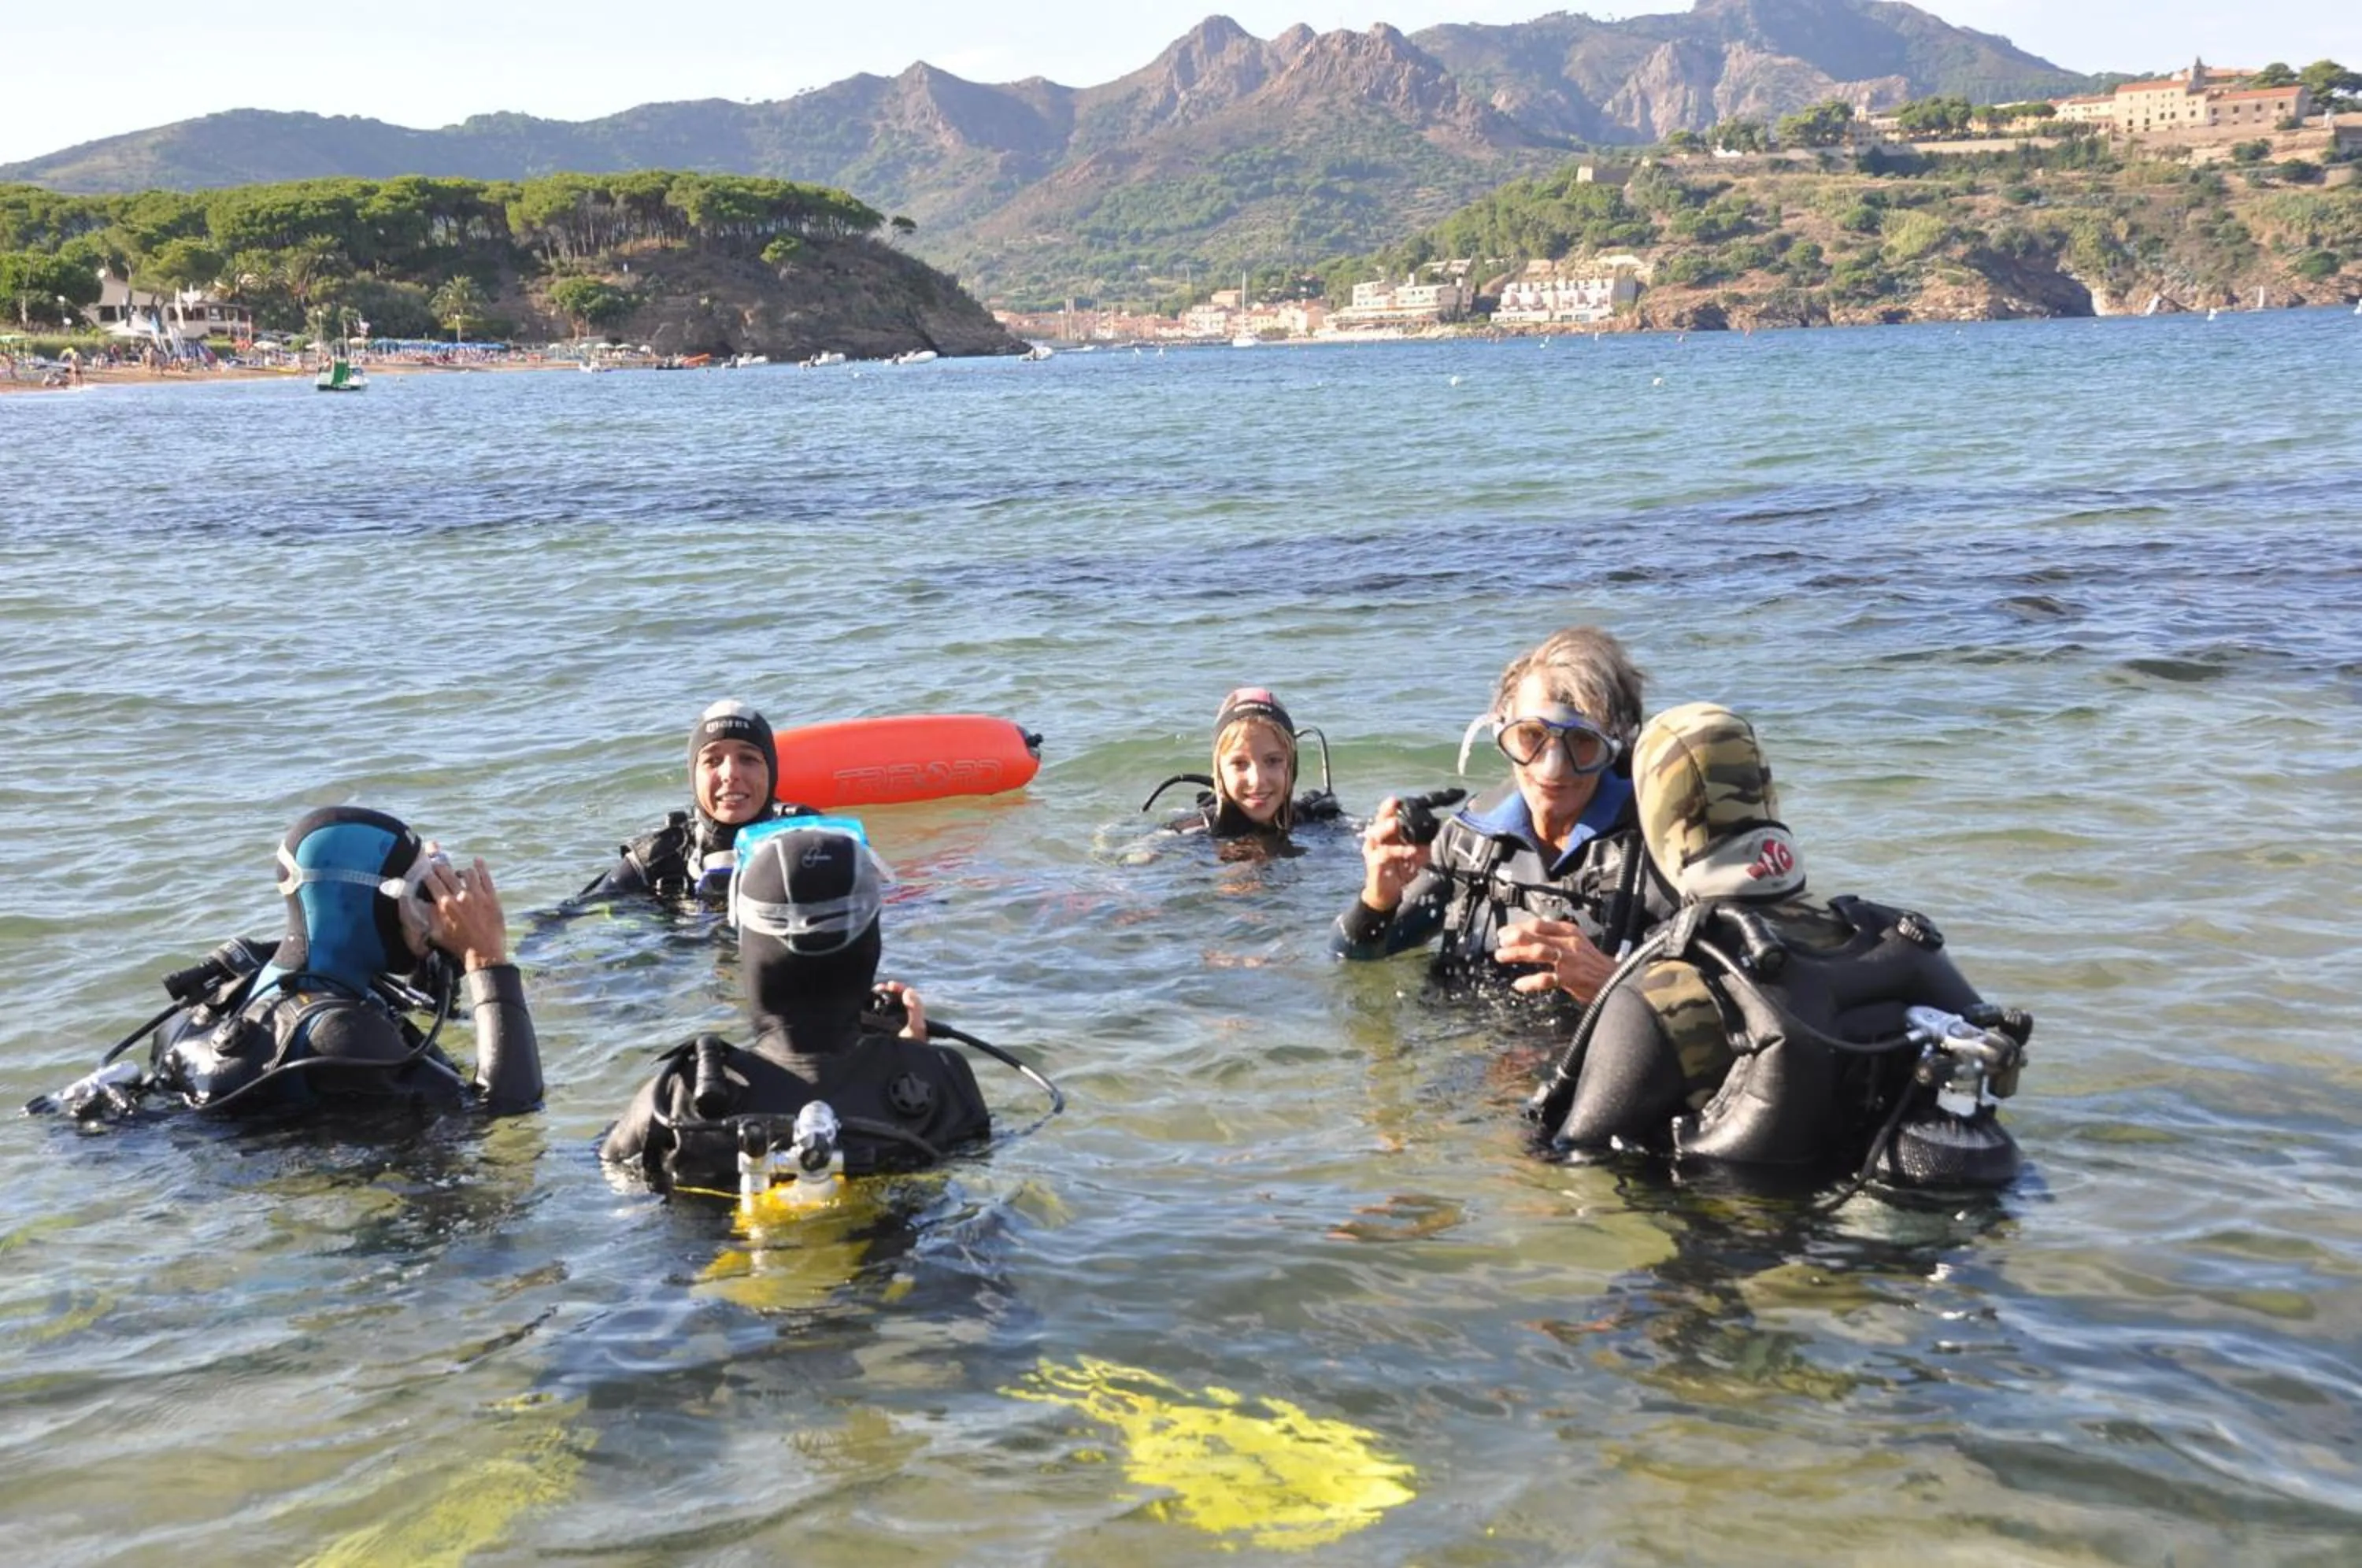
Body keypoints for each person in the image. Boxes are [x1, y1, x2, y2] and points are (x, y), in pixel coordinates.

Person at [1528, 703, 2028, 1187]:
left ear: (1656, 816)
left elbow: (1578, 1158)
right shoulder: (1896, 943)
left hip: (1735, 1248)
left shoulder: (1659, 991)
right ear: (1765, 792)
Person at [29, 806, 541, 1122]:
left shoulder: (242, 983)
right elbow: (504, 1113)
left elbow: (435, 1014)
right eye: (418, 898)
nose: (432, 913)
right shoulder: (340, 1030)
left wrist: (446, 948)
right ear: (358, 905)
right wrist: (486, 957)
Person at [601, 825, 991, 1191]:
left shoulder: (678, 1098)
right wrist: (909, 1057)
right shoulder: (938, 1082)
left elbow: (609, 1181)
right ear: (870, 939)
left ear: (750, 943)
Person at [1335, 627, 1667, 1003]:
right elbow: (1356, 958)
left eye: (1582, 743)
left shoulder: (1659, 857)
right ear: (1501, 733)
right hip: (1470, 1048)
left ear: (1616, 744)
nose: (1552, 769)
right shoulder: (1470, 841)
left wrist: (1616, 984)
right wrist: (1378, 899)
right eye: (1531, 737)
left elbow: (1729, 1004)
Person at [583, 699, 816, 901]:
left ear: (771, 770)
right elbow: (574, 915)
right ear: (694, 776)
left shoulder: (812, 840)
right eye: (713, 761)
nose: (730, 774)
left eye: (747, 758)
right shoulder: (657, 861)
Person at [1143, 686, 1342, 841]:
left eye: (1273, 761)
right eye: (1239, 763)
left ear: (1292, 765)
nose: (1257, 781)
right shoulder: (1189, 833)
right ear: (1219, 770)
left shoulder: (1320, 822)